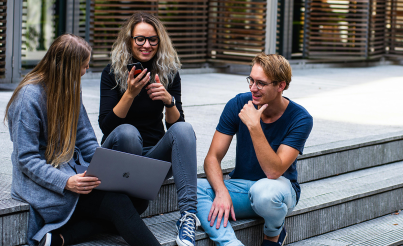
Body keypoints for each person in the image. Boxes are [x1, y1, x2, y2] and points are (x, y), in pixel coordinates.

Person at [5, 34, 161, 246]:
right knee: (118, 204)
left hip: (74, 171)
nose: (86, 70)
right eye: (84, 66)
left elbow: (87, 140)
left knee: (139, 200)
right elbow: (27, 159)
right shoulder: (28, 98)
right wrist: (66, 182)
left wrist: (103, 170)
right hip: (44, 182)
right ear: (68, 68)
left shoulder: (69, 89)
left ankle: (61, 238)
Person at [98, 12, 199, 246]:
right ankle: (124, 205)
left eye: (153, 39)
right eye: (140, 39)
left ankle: (187, 217)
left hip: (152, 159)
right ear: (129, 40)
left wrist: (168, 101)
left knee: (185, 130)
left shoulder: (168, 72)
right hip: (120, 154)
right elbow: (106, 125)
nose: (146, 45)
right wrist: (130, 94)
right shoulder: (112, 72)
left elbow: (176, 127)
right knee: (128, 132)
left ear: (160, 41)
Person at [196, 54, 313, 246]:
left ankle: (273, 235)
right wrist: (221, 191)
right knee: (193, 188)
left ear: (280, 86)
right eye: (251, 80)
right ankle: (230, 244)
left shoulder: (300, 118)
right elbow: (212, 158)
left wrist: (254, 126)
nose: (252, 88)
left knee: (264, 192)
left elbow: (274, 171)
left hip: (278, 190)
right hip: (242, 187)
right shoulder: (238, 103)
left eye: (260, 83)